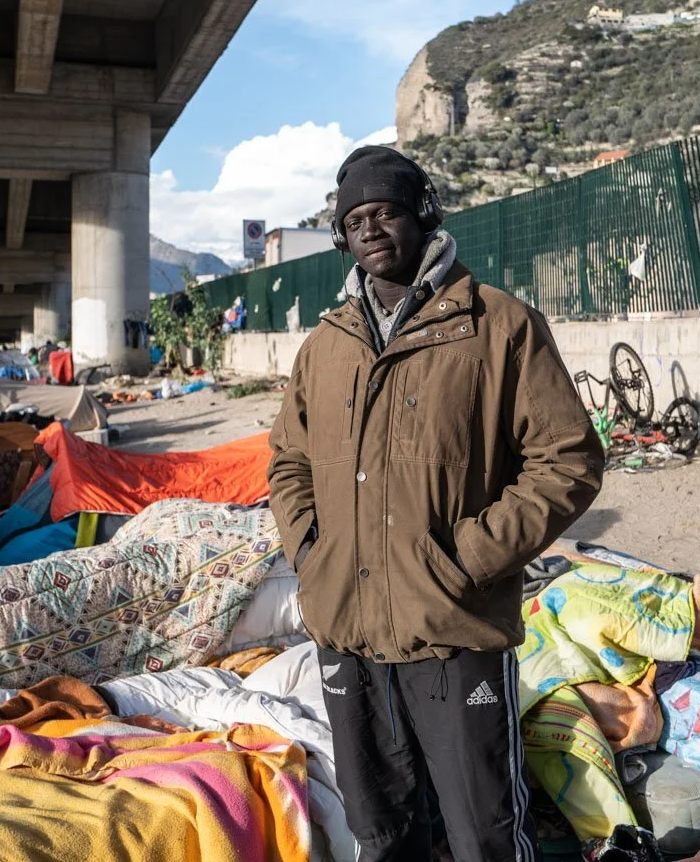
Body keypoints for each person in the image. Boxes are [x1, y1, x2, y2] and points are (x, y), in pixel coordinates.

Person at [269, 146, 605, 862]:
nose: (369, 228)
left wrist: (466, 558)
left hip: (452, 630)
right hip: (348, 634)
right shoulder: (326, 346)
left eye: (384, 211)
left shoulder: (498, 325)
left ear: (422, 213)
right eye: (353, 219)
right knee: (380, 832)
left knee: (481, 835)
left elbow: (569, 459)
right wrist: (311, 552)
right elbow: (289, 462)